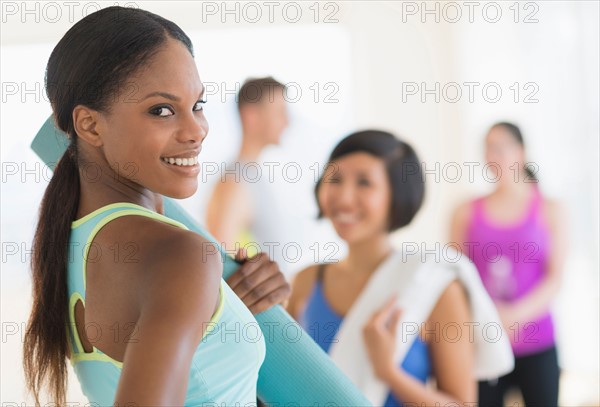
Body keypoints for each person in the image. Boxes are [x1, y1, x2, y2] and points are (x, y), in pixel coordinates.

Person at [23, 7, 289, 406]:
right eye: (162, 110)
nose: (196, 130)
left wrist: (226, 311)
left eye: (197, 105)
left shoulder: (70, 244)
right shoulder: (178, 255)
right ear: (90, 125)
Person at [286, 130, 481, 406]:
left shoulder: (434, 286)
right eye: (336, 179)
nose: (344, 197)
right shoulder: (305, 281)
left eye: (364, 183)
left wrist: (388, 373)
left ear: (397, 195)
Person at [450, 122, 566, 407]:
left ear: (521, 152)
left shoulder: (550, 208)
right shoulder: (464, 211)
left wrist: (513, 316)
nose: (494, 155)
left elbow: (555, 279)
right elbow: (454, 280)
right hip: (482, 342)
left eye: (501, 147)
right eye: (488, 148)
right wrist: (489, 319)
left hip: (538, 341)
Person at [206, 77, 289, 257]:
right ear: (252, 116)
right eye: (280, 112)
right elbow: (220, 259)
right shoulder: (235, 183)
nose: (287, 122)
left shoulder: (251, 177)